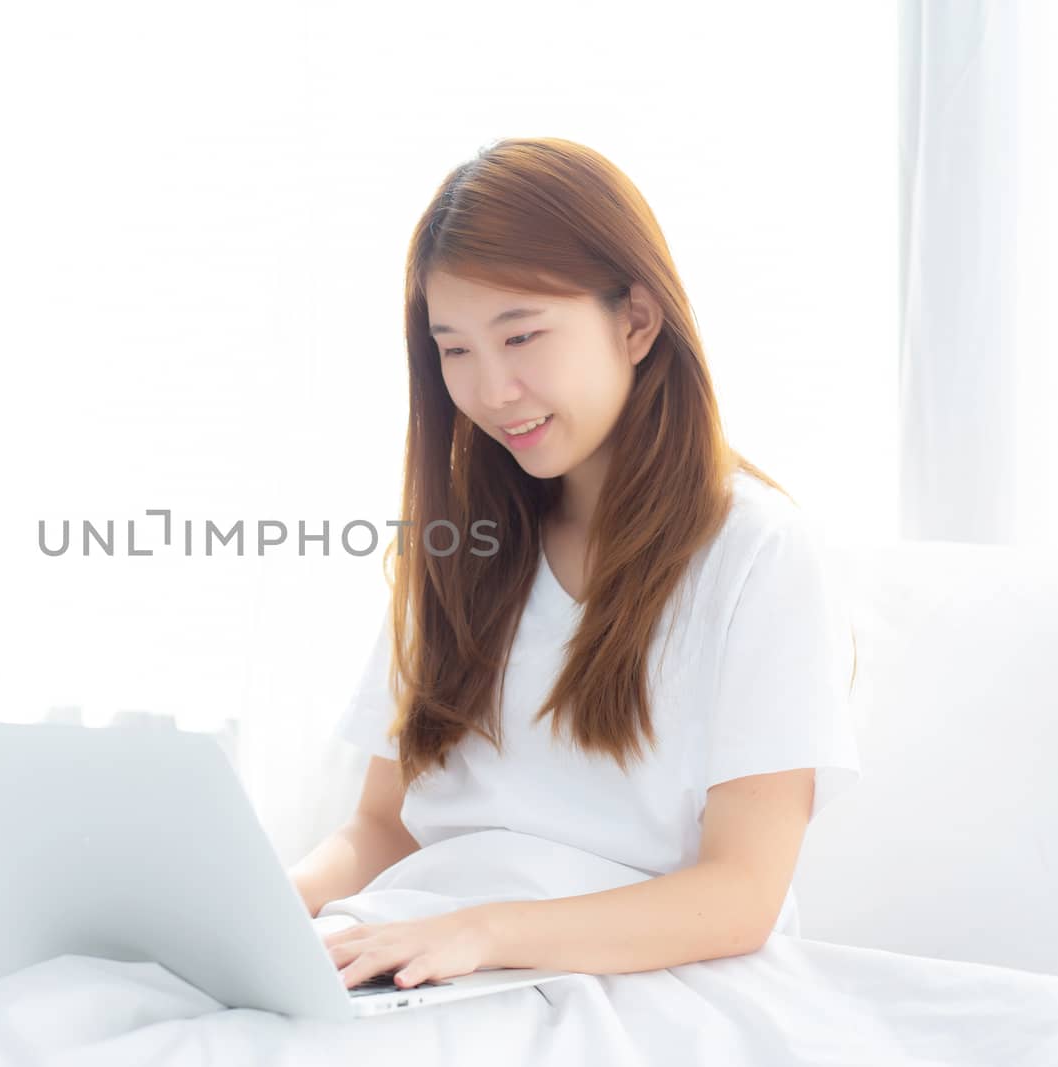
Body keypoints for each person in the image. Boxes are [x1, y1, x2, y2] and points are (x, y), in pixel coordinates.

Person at [286, 135, 863, 993]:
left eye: (521, 336)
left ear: (635, 320)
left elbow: (741, 893)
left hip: (632, 979)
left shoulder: (757, 552)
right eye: (455, 349)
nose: (491, 391)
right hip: (424, 958)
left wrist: (481, 932)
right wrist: (259, 907)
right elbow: (383, 828)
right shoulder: (457, 542)